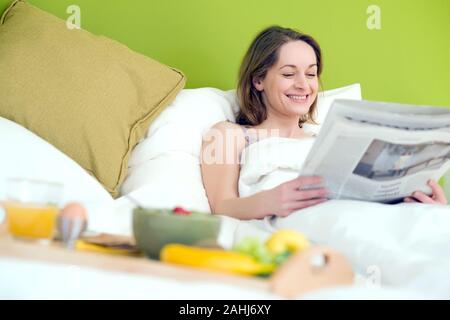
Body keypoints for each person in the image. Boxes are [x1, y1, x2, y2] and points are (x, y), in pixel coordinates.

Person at [200, 26, 447, 221]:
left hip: (365, 219)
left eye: (310, 73)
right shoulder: (230, 135)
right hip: (309, 225)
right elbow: (221, 207)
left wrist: (421, 206)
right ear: (258, 81)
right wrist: (271, 201)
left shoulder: (328, 140)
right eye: (288, 74)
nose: (303, 84)